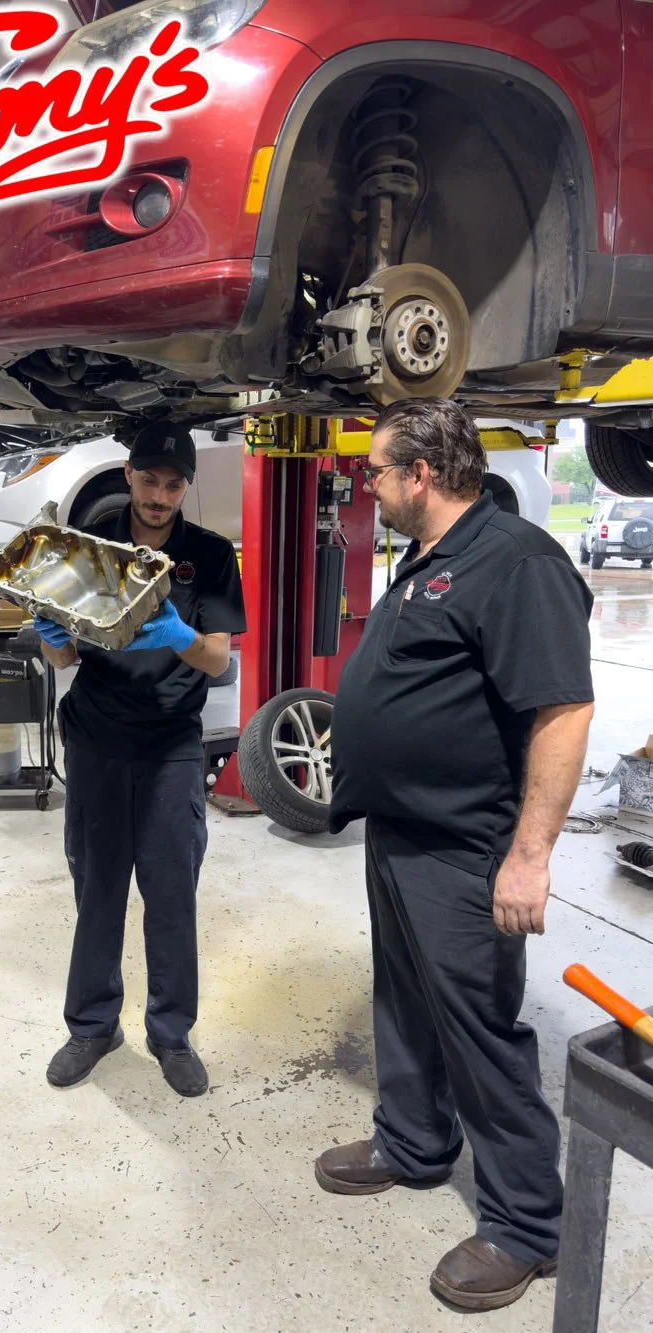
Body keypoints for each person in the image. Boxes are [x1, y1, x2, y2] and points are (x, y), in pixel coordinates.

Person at [318, 398, 594, 1312]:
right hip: (401, 832)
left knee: (478, 1024)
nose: (372, 485)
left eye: (378, 471)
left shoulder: (517, 563)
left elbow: (561, 710)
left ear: (422, 475)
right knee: (401, 1000)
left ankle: (525, 1222)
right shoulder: (433, 559)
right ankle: (412, 1140)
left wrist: (530, 855)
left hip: (468, 846)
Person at [36, 423, 246, 1097]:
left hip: (171, 748)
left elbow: (218, 658)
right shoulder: (91, 549)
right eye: (149, 480)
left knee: (171, 896)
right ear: (128, 474)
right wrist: (51, 638)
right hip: (97, 740)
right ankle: (94, 1024)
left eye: (173, 484)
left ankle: (171, 1031)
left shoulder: (209, 556)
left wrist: (179, 634)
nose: (159, 496)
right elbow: (65, 656)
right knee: (96, 891)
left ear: (187, 486)